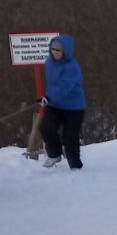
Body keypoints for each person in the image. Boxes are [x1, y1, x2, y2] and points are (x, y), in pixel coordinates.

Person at [41, 34, 86, 170]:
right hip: (55, 105)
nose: (55, 52)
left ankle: (75, 165)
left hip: (74, 107)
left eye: (58, 50)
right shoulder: (49, 63)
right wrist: (47, 97)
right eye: (53, 49)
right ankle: (54, 154)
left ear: (65, 51)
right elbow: (52, 84)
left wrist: (50, 97)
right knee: (46, 128)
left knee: (70, 137)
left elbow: (64, 86)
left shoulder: (72, 67)